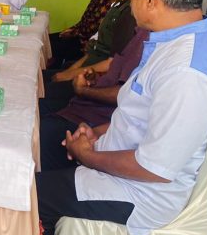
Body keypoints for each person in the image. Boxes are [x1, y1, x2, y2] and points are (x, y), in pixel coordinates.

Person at [31, 0, 207, 235]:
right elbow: (138, 115)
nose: (131, 2)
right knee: (36, 152)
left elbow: (154, 168)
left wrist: (89, 155)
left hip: (138, 194)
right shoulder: (172, 42)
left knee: (28, 199)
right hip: (116, 161)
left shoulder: (186, 72)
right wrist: (95, 133)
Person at [40, 25, 149, 171]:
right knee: (31, 113)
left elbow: (127, 95)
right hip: (87, 112)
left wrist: (83, 90)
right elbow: (116, 73)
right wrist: (96, 78)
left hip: (95, 118)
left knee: (36, 130)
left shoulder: (151, 41)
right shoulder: (142, 32)